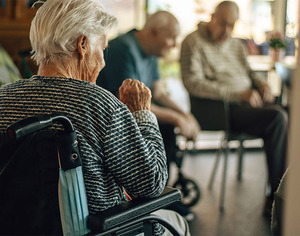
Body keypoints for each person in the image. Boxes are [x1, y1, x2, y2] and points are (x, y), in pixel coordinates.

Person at [0, 0, 190, 235]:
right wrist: (142, 112)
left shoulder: (3, 99)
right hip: (102, 230)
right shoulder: (99, 104)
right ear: (83, 44)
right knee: (176, 221)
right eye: (102, 48)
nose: (103, 61)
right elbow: (151, 183)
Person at [180, 0, 288, 218]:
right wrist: (236, 94)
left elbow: (249, 72)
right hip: (221, 110)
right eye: (223, 24)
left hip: (249, 102)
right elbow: (192, 83)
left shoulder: (236, 45)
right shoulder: (193, 42)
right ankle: (277, 199)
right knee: (277, 118)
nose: (227, 31)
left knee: (291, 113)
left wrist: (261, 84)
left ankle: (288, 192)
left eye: (232, 25)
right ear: (212, 17)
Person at [97, 11, 200, 220]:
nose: (174, 44)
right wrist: (177, 118)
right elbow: (130, 103)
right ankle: (154, 196)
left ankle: (163, 195)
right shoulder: (123, 49)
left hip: (133, 116)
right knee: (167, 126)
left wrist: (185, 115)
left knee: (169, 127)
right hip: (113, 122)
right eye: (171, 37)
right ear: (154, 32)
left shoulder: (151, 52)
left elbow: (159, 93)